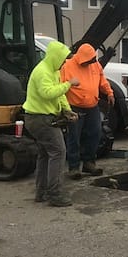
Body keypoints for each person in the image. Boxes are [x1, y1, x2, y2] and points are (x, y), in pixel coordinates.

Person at [22, 40, 79, 207]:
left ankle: (41, 192)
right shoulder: (43, 72)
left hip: (38, 119)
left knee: (46, 154)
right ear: (56, 57)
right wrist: (69, 84)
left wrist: (67, 110)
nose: (64, 63)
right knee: (59, 152)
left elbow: (58, 94)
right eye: (63, 59)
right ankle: (55, 194)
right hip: (40, 119)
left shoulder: (53, 71)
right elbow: (48, 93)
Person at [60, 43, 115, 179]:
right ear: (81, 58)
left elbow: (102, 80)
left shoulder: (95, 65)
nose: (90, 63)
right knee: (74, 137)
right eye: (88, 61)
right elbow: (61, 86)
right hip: (74, 106)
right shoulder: (67, 66)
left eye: (92, 60)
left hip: (92, 106)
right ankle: (74, 167)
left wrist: (109, 92)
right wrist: (64, 109)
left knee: (95, 133)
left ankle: (89, 163)